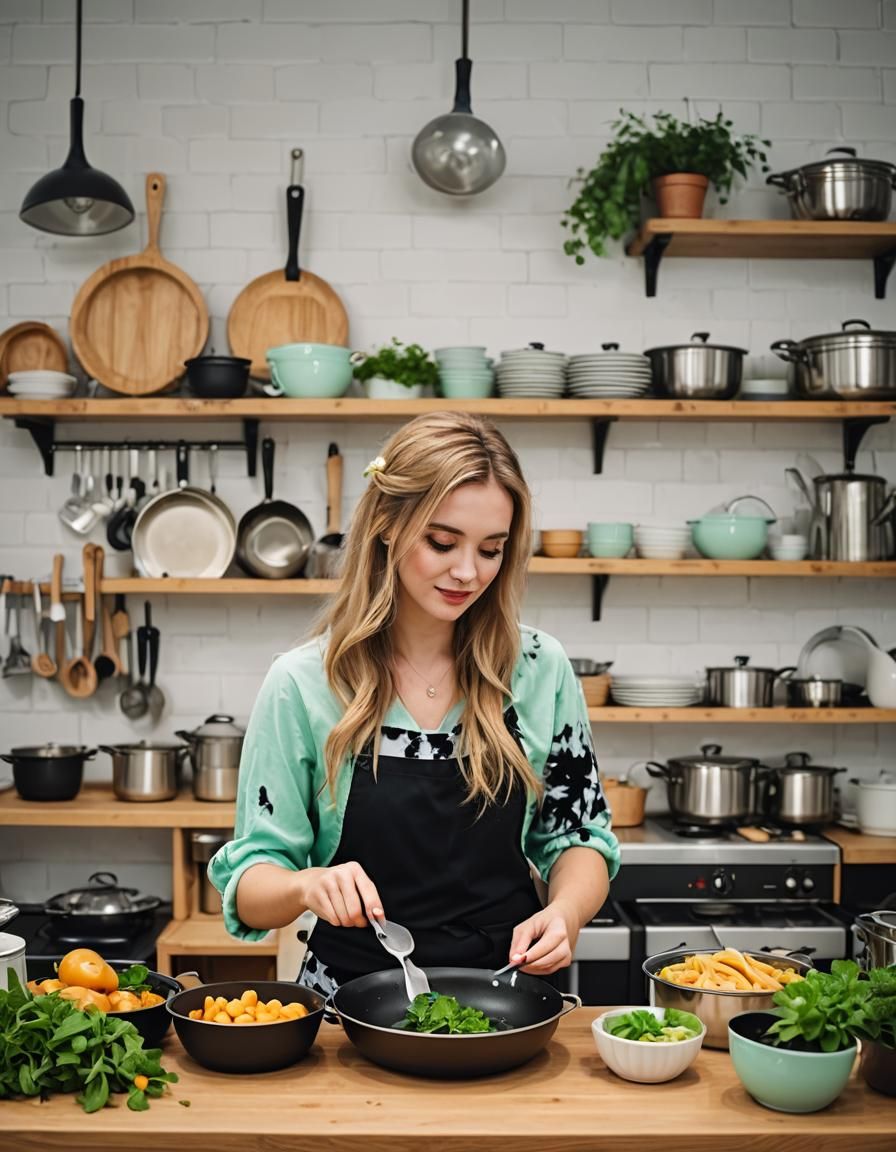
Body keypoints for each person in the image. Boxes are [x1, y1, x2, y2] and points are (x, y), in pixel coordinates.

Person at [209, 411, 620, 997]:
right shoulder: (304, 683)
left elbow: (577, 836)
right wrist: (305, 887)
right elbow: (251, 889)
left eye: (491, 550)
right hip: (346, 1013)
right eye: (442, 542)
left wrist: (568, 913)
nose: (467, 572)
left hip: (506, 997)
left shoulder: (538, 669)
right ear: (387, 525)